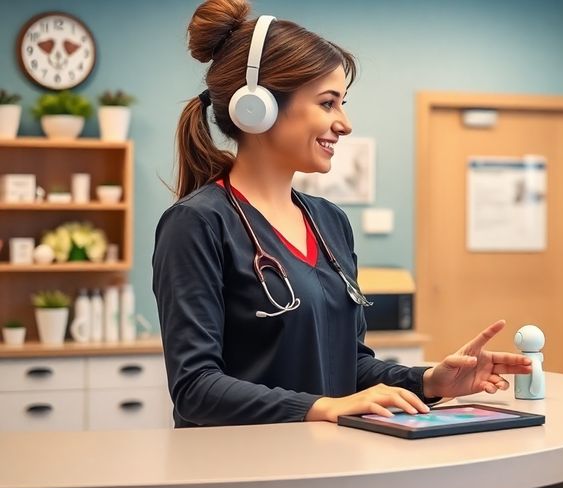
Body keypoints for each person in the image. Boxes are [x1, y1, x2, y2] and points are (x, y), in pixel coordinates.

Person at [154, 0, 531, 427]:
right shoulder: (198, 224)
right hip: (243, 476)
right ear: (258, 107)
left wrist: (430, 381)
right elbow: (195, 388)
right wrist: (319, 407)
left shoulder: (329, 221)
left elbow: (348, 366)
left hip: (329, 467)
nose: (345, 123)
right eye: (328, 103)